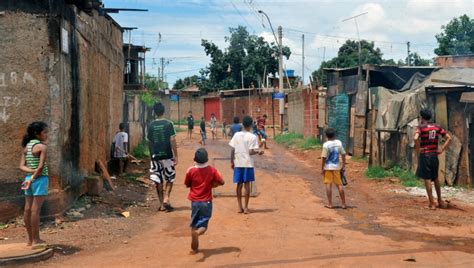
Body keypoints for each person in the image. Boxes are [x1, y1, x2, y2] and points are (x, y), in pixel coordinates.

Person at [185, 148, 225, 253]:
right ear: (206, 159)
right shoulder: (212, 170)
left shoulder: (191, 170)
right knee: (203, 225)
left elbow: (187, 184)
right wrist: (213, 184)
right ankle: (197, 233)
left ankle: (195, 248)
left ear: (195, 159)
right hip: (206, 201)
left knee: (194, 223)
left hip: (194, 201)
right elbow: (222, 182)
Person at [415, 108, 452, 210]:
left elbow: (415, 138)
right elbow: (449, 138)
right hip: (434, 155)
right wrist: (442, 149)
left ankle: (432, 203)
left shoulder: (421, 128)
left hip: (425, 156)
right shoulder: (437, 127)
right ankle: (440, 200)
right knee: (435, 178)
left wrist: (419, 149)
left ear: (422, 117)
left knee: (427, 179)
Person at [19, 121, 49, 249]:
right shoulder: (42, 147)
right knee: (35, 210)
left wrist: (30, 176)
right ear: (37, 134)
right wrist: (34, 176)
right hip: (40, 179)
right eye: (45, 132)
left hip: (28, 180)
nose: (46, 135)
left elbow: (21, 166)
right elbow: (41, 167)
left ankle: (30, 240)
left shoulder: (26, 147)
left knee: (27, 209)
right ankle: (37, 240)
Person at [229, 115, 264, 214]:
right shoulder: (252, 136)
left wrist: (232, 161)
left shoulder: (236, 135)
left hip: (238, 162)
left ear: (243, 124)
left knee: (239, 185)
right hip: (248, 163)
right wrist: (258, 152)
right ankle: (246, 208)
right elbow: (250, 152)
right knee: (247, 185)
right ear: (251, 124)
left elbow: (232, 149)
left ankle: (239, 207)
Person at [147, 103, 178, 212]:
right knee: (170, 177)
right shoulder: (169, 124)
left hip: (155, 156)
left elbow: (149, 142)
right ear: (164, 111)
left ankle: (161, 205)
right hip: (167, 156)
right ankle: (166, 198)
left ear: (154, 112)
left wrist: (151, 155)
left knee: (158, 180)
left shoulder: (150, 125)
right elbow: (173, 140)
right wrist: (176, 156)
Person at [321, 128, 347, 209]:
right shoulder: (339, 143)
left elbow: (324, 157)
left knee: (328, 184)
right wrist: (343, 165)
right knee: (339, 185)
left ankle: (330, 204)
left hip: (328, 167)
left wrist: (322, 168)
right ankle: (343, 204)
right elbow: (343, 154)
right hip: (337, 167)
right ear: (334, 135)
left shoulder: (325, 145)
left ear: (326, 136)